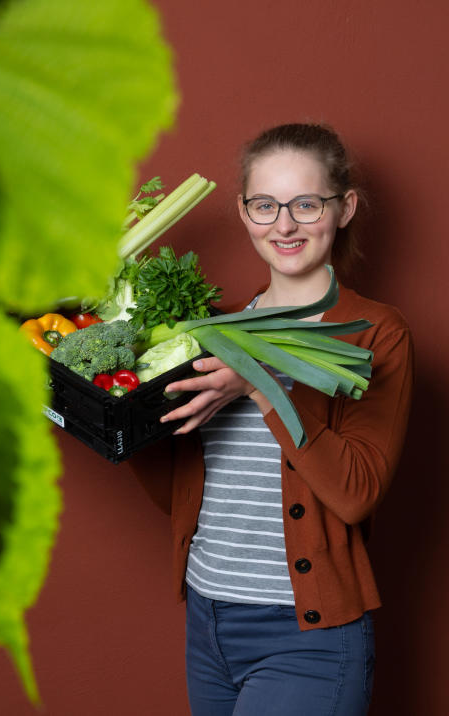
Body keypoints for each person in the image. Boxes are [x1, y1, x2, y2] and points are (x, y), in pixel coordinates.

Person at [125, 123, 413, 715]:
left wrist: (259, 382)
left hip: (306, 637)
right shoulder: (208, 330)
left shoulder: (376, 333)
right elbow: (181, 492)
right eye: (265, 205)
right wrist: (118, 413)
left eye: (306, 204)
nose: (284, 225)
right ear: (243, 211)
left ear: (345, 207)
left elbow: (357, 492)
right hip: (208, 623)